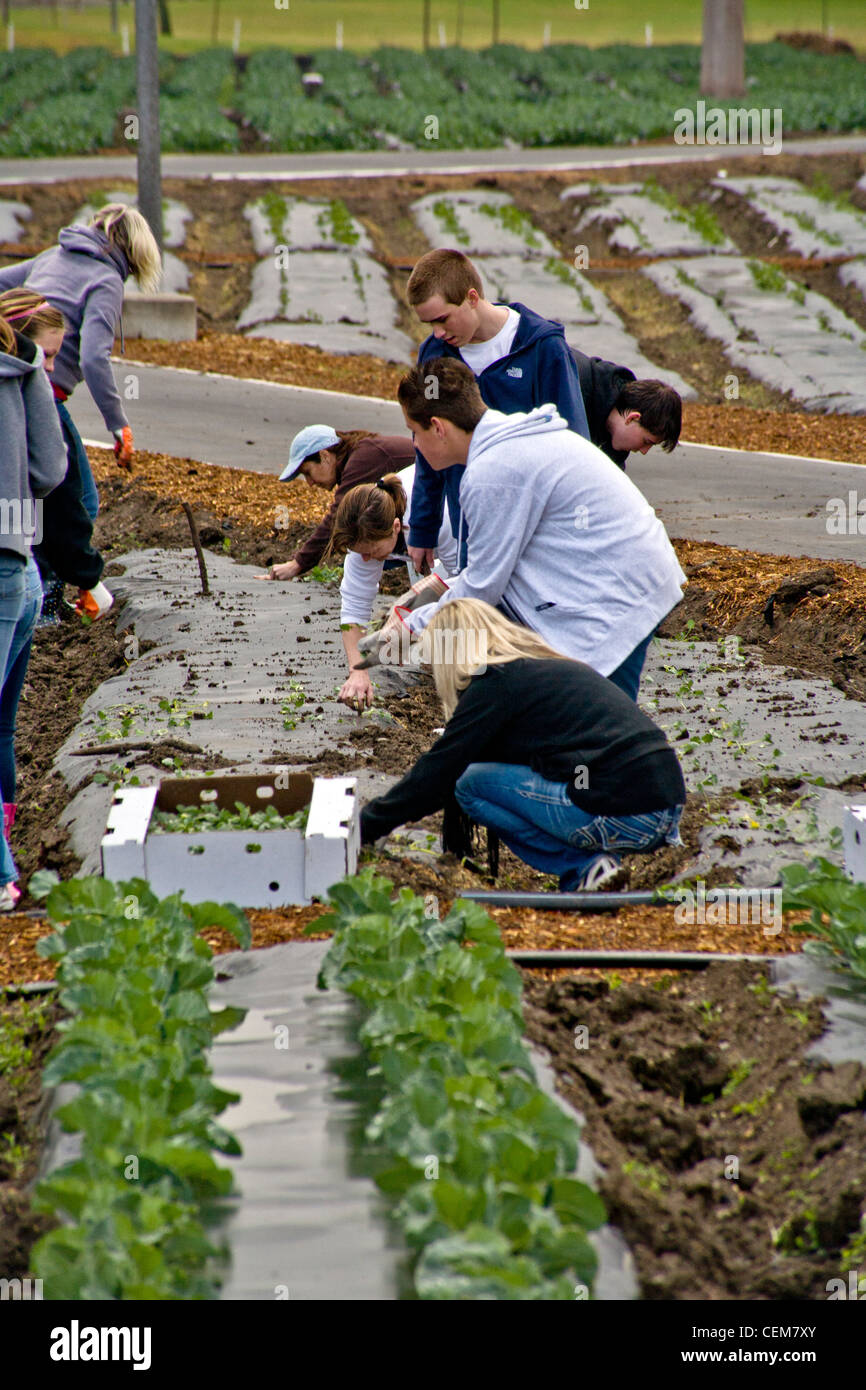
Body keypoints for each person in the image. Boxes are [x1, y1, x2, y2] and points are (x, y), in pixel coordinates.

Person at [373, 357, 686, 700]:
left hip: (619, 597)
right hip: (626, 580)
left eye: (414, 432)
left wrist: (411, 625)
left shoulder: (494, 471)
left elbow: (483, 590)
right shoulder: (509, 442)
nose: (414, 445)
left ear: (438, 427)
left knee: (596, 727)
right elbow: (491, 577)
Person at [360, 599, 686, 893]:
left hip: (626, 814)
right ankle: (590, 868)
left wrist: (367, 825)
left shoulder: (495, 683)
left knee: (471, 784)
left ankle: (583, 868)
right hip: (665, 809)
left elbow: (440, 771)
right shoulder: (542, 671)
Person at [404, 248, 590, 571]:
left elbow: (574, 443)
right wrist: (423, 526)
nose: (438, 332)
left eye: (443, 318)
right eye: (428, 323)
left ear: (471, 297)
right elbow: (428, 443)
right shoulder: (434, 355)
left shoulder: (542, 348)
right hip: (471, 527)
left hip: (536, 529)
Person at [0, 202, 162, 517]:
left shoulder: (52, 256)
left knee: (26, 492)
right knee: (83, 502)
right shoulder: (107, 279)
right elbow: (93, 357)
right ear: (134, 253)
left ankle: (28, 555)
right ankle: (40, 564)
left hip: (11, 381)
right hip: (45, 395)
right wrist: (118, 425)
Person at [0, 311, 67, 909]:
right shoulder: (23, 367)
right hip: (20, 567)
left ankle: (2, 879)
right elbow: (51, 469)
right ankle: (7, 840)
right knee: (2, 726)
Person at [0, 289, 112, 623]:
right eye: (45, 355)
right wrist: (88, 575)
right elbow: (54, 482)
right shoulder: (29, 397)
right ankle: (47, 605)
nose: (49, 368)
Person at [327, 467, 457, 710]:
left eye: (370, 551)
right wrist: (358, 672)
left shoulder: (443, 521)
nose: (366, 559)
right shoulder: (363, 537)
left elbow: (472, 584)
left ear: (396, 527)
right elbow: (353, 611)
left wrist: (413, 615)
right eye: (359, 553)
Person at [262, 425, 415, 581]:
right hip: (410, 527)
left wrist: (296, 565)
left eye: (307, 472)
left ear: (325, 456)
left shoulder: (363, 459)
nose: (309, 482)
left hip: (431, 525)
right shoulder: (359, 455)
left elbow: (338, 519)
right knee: (359, 560)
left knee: (359, 561)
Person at [570, 348, 682, 470]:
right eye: (646, 441)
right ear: (632, 418)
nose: (644, 451)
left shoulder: (614, 449)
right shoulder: (571, 382)